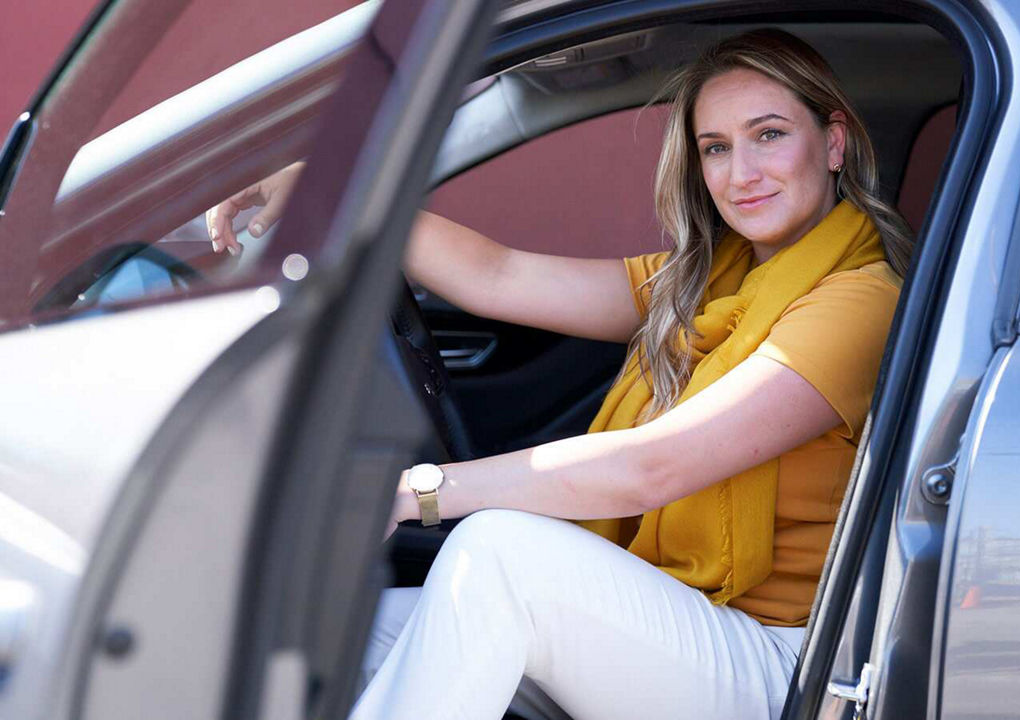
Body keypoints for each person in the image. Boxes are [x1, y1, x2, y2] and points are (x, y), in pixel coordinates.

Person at [208, 28, 912, 720]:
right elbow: (498, 275)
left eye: (769, 135)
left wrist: (409, 494)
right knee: (356, 630)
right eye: (716, 148)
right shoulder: (705, 282)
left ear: (835, 142)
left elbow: (653, 467)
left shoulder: (862, 298)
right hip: (688, 613)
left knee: (499, 557)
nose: (741, 173)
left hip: (785, 663)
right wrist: (333, 192)